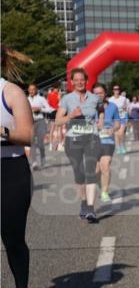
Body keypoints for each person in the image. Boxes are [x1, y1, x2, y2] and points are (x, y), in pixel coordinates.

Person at [2, 46, 37, 288]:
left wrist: (2, 131)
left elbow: (28, 135)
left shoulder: (11, 92)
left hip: (10, 170)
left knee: (12, 239)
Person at [56, 68, 102, 223]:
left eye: (82, 79)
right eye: (76, 80)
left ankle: (90, 208)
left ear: (86, 81)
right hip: (73, 140)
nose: (79, 82)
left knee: (90, 171)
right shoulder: (67, 99)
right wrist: (71, 115)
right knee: (79, 173)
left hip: (92, 138)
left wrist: (101, 120)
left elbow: (101, 109)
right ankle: (83, 202)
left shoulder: (95, 98)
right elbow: (58, 121)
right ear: (72, 82)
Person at [93, 84, 124, 204]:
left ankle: (105, 192)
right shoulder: (89, 107)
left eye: (101, 93)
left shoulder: (113, 106)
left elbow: (118, 123)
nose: (98, 95)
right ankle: (100, 184)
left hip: (108, 140)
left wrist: (113, 129)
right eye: (96, 93)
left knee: (105, 165)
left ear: (105, 93)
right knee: (96, 171)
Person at [26, 83, 51, 170]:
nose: (32, 91)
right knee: (32, 142)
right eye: (30, 89)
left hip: (40, 121)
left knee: (40, 143)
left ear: (36, 90)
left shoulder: (41, 99)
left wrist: (40, 109)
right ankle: (34, 163)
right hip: (30, 122)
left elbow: (49, 109)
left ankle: (43, 160)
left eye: (33, 89)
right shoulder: (26, 99)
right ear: (28, 90)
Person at [109, 85, 130, 153]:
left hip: (122, 117)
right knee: (116, 134)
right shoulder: (110, 99)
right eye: (115, 89)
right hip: (114, 119)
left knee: (121, 133)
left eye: (117, 89)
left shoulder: (123, 99)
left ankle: (122, 146)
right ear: (113, 90)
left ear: (119, 90)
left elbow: (127, 108)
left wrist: (127, 117)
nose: (116, 90)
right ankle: (118, 147)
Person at [46, 85, 64, 152]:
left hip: (51, 111)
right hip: (57, 111)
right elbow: (60, 103)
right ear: (58, 88)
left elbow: (47, 103)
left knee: (52, 129)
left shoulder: (49, 95)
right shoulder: (58, 94)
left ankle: (50, 145)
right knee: (59, 129)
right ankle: (60, 145)